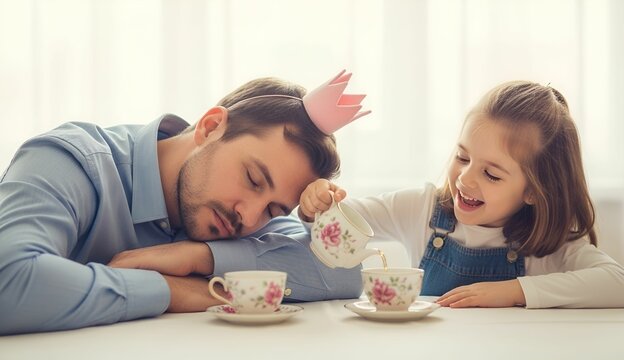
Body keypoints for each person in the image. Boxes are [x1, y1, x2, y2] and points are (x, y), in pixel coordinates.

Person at [0, 70, 368, 334]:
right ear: (210, 127)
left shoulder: (246, 219)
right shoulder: (73, 161)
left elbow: (343, 274)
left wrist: (199, 258)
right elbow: (8, 281)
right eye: (253, 179)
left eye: (275, 210)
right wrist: (169, 290)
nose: (250, 216)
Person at [299, 80, 624, 309]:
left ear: (535, 191)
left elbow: (622, 286)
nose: (465, 177)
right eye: (463, 157)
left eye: (491, 173)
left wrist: (512, 292)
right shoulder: (422, 209)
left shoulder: (550, 246)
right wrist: (318, 203)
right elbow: (341, 216)